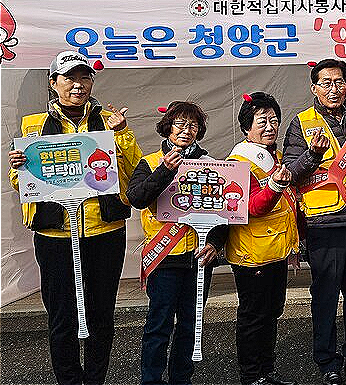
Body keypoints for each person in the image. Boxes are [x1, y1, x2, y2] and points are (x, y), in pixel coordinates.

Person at [8, 51, 142, 385]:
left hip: (104, 231)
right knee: (62, 315)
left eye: (84, 77)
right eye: (69, 77)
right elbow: (23, 184)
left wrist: (123, 134)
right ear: (53, 83)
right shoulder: (33, 125)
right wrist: (18, 167)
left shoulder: (110, 122)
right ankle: (69, 380)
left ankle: (95, 380)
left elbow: (135, 173)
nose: (78, 85)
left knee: (101, 314)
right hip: (55, 235)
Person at [281, 59, 346, 385]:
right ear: (314, 88)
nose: (334, 88)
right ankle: (327, 362)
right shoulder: (302, 123)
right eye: (326, 83)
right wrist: (313, 154)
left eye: (339, 82)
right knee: (326, 298)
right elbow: (290, 173)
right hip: (324, 224)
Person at [126, 100, 227, 385]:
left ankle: (181, 379)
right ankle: (151, 380)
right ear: (168, 127)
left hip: (199, 257)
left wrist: (215, 244)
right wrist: (165, 171)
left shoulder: (211, 164)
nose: (186, 130)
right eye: (180, 124)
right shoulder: (150, 162)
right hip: (164, 256)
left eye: (193, 125)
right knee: (159, 324)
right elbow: (136, 198)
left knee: (191, 324)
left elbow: (225, 213)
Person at [225, 92, 299, 385]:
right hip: (251, 253)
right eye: (262, 121)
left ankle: (267, 372)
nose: (270, 126)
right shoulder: (238, 161)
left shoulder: (273, 154)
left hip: (276, 249)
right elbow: (253, 207)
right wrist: (276, 186)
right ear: (246, 127)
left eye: (274, 120)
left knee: (271, 313)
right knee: (253, 316)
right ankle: (251, 375)